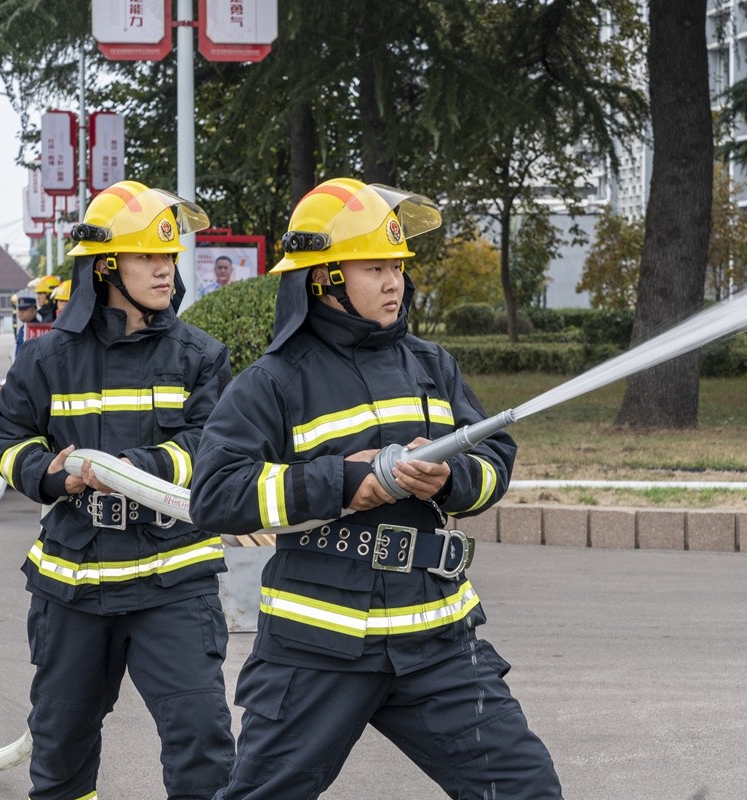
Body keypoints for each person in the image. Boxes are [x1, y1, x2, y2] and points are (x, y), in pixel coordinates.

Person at [189, 178, 563, 800]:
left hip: (436, 640)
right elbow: (216, 494)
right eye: (374, 267)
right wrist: (347, 481)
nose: (394, 282)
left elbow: (495, 456)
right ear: (325, 279)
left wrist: (451, 479)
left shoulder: (431, 366)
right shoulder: (273, 383)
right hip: (318, 647)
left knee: (526, 789)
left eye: (397, 266)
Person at [0, 180, 236, 800]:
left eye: (169, 256)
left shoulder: (200, 355)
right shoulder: (46, 360)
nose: (164, 269)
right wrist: (53, 474)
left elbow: (212, 443)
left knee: (201, 738)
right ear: (105, 266)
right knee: (61, 743)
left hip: (172, 578)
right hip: (73, 576)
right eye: (147, 256)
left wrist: (129, 465)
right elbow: (8, 441)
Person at [13, 290, 39, 355]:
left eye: (25, 309)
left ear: (34, 311)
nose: (21, 312)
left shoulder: (37, 329)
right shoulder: (23, 328)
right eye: (20, 309)